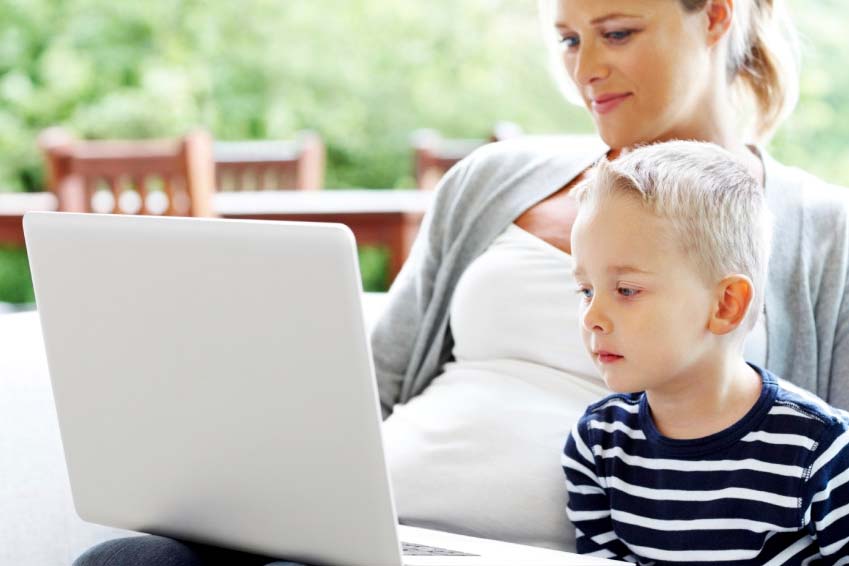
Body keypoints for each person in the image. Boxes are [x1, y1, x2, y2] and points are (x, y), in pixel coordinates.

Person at [74, 0, 849, 564]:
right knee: (123, 564)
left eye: (616, 32)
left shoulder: (818, 231)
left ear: (715, 16)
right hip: (366, 534)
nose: (585, 67)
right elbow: (371, 385)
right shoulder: (493, 179)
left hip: (537, 555)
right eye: (567, 39)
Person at [563, 140, 849, 563]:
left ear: (725, 305)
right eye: (586, 290)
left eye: (626, 290)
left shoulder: (821, 453)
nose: (592, 317)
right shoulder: (598, 446)